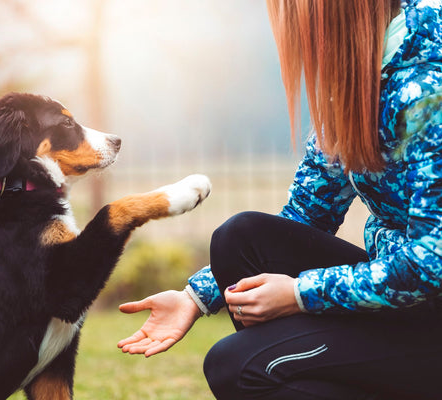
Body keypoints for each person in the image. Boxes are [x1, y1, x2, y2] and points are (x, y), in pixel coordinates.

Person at [118, 0, 442, 398]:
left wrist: (299, 294)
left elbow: (431, 263)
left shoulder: (428, 87)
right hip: (407, 306)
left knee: (236, 366)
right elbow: (308, 212)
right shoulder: (360, 79)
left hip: (430, 310)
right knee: (240, 238)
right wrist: (195, 298)